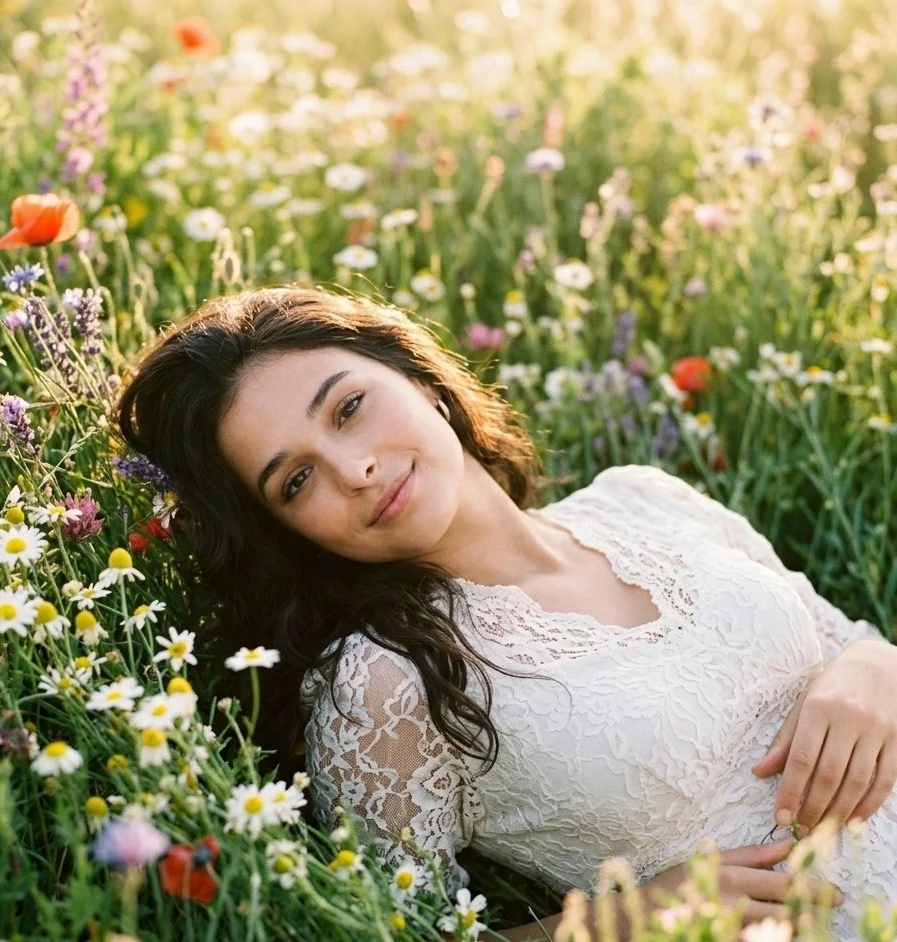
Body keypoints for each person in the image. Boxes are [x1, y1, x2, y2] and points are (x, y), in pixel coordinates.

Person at [115, 286, 896, 940]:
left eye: (349, 407)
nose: (355, 470)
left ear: (416, 376)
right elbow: (401, 931)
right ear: (286, 533)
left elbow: (851, 641)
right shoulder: (384, 682)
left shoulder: (643, 497)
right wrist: (622, 921)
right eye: (295, 482)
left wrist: (869, 664)